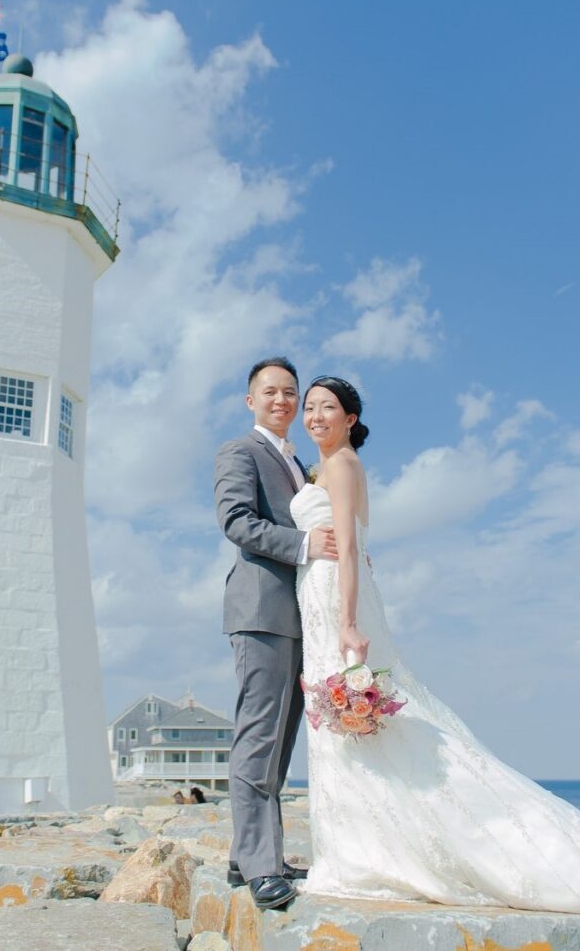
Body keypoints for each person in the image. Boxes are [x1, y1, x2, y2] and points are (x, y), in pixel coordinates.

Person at [293, 375, 580, 911]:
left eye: (326, 407)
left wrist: (349, 621)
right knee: (346, 724)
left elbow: (351, 550)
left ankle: (380, 849)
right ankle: (360, 845)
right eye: (309, 407)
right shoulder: (327, 467)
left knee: (360, 717)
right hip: (322, 594)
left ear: (350, 419)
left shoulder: (341, 465)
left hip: (337, 598)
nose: (314, 416)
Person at [214, 357, 337, 910]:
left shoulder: (296, 461)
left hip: (298, 614)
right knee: (259, 736)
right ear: (251, 400)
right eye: (272, 392)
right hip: (260, 610)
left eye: (291, 392)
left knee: (282, 740)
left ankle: (252, 855)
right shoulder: (240, 451)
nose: (283, 401)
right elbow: (236, 520)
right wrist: (305, 546)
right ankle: (262, 868)